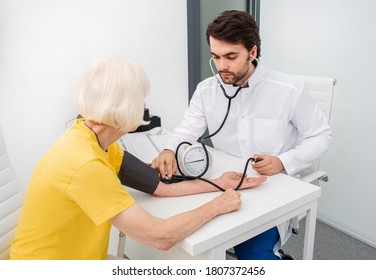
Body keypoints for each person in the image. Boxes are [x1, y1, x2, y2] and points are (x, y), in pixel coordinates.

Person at [10, 58, 267, 260]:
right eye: (141, 98)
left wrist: (220, 183)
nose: (144, 105)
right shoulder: (85, 165)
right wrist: (217, 205)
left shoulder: (96, 141)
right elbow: (162, 237)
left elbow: (159, 186)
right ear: (126, 107)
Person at [152, 10, 332, 260]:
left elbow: (321, 136)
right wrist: (169, 149)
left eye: (231, 56)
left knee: (252, 253)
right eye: (215, 56)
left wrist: (283, 161)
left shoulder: (288, 90)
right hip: (221, 183)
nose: (222, 66)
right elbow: (186, 130)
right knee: (184, 238)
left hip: (269, 190)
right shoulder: (207, 91)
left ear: (253, 52)